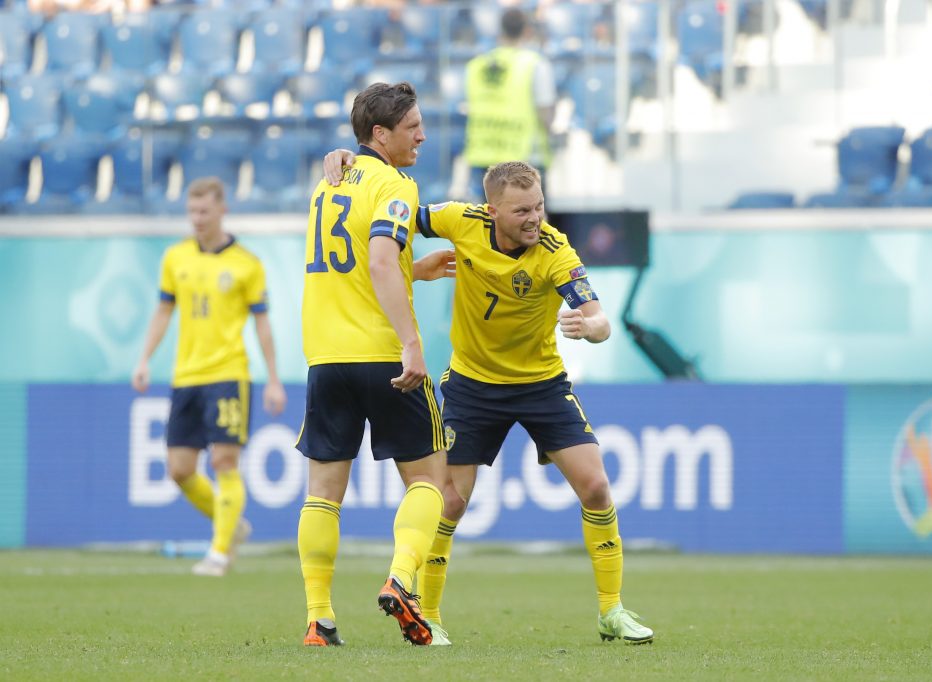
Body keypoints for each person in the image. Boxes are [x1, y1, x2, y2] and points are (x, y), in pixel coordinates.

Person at [322, 153, 654, 646]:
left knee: (597, 488)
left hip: (542, 384)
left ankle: (611, 611)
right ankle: (429, 617)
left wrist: (590, 327)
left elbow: (599, 316)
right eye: (522, 211)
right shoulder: (460, 220)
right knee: (450, 501)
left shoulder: (555, 250)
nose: (534, 218)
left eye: (539, 206)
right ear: (492, 210)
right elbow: (386, 220)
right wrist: (355, 168)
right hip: (473, 384)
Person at [296, 81, 453, 648]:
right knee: (431, 481)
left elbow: (361, 263)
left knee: (322, 494)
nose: (423, 136)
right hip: (385, 355)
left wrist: (418, 268)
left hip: (326, 356)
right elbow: (382, 262)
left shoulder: (327, 183)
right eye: (413, 127)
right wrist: (412, 342)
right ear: (380, 135)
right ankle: (401, 579)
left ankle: (319, 619)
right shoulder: (397, 185)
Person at [132, 176, 287, 578]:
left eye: (204, 211)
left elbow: (263, 325)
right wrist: (145, 358)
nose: (197, 219)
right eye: (191, 212)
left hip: (228, 374)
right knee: (180, 470)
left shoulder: (246, 264)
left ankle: (219, 553)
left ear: (223, 210)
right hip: (186, 376)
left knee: (224, 460)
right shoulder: (175, 258)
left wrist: (272, 378)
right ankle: (231, 525)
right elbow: (164, 311)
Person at [462, 7, 555, 203]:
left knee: (487, 226)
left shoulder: (476, 65)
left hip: (483, 155)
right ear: (527, 31)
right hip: (524, 159)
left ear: (500, 30)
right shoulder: (536, 65)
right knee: (527, 226)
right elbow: (545, 115)